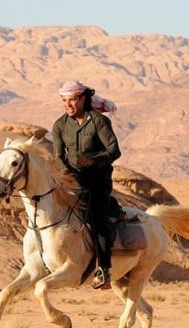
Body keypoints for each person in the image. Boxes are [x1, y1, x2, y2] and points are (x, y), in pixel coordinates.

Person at [52, 80, 121, 289]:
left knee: (97, 219)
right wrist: (68, 174)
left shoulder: (99, 121)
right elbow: (58, 156)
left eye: (71, 100)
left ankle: (104, 270)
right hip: (73, 182)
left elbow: (114, 151)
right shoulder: (60, 125)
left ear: (82, 99)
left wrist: (95, 160)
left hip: (98, 181)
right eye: (64, 101)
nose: (68, 105)